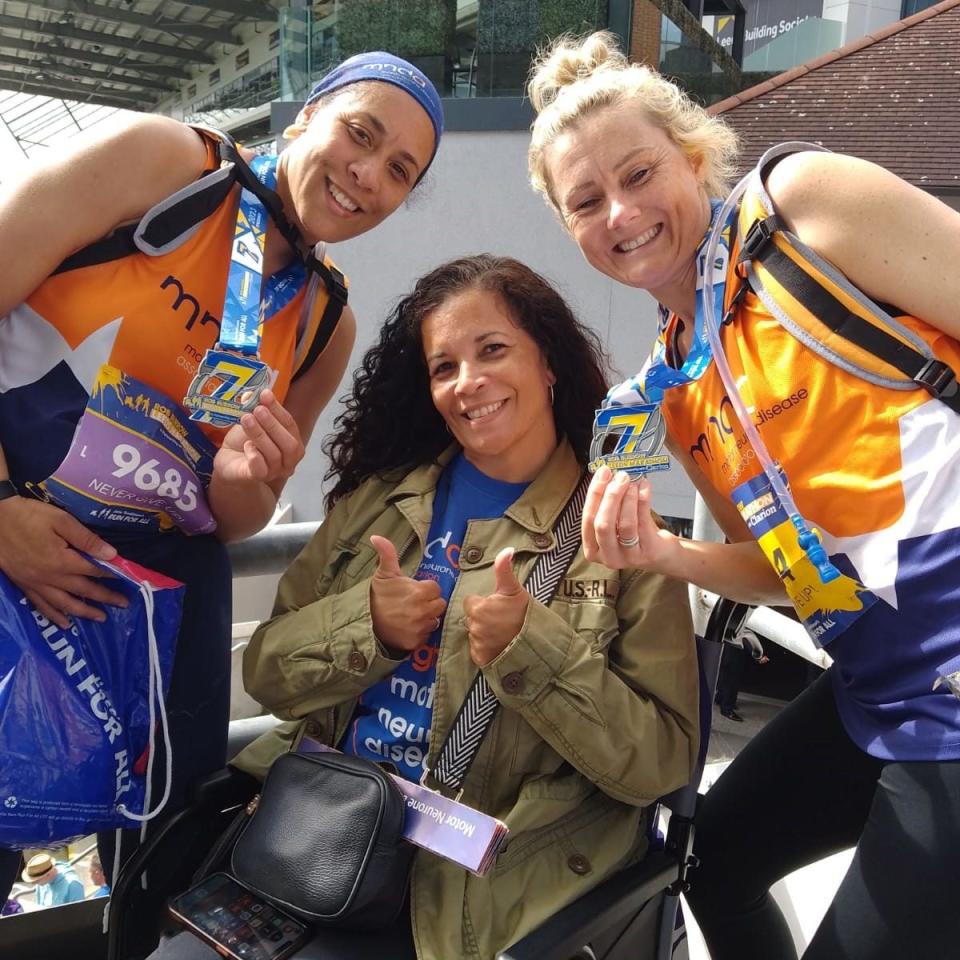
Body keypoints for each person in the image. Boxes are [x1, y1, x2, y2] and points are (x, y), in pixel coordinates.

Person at [526, 30, 960, 960]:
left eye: (640, 174)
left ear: (692, 157)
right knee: (712, 862)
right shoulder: (675, 387)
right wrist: (664, 556)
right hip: (877, 687)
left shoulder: (799, 208)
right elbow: (783, 569)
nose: (622, 213)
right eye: (587, 201)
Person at [0, 51, 443, 904]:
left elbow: (235, 519)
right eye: (361, 132)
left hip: (159, 598)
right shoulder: (166, 163)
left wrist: (246, 479)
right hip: (24, 541)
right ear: (306, 114)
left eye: (400, 171)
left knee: (162, 859)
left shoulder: (326, 317)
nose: (368, 174)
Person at [214, 255, 700, 960]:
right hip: (318, 834)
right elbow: (264, 676)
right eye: (444, 367)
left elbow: (660, 765)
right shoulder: (377, 501)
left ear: (549, 366)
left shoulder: (619, 532)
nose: (468, 383)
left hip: (482, 888)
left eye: (493, 350)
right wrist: (368, 629)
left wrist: (532, 651)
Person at [715, 627, 768, 722]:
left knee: (725, 677)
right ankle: (727, 709)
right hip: (734, 650)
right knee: (732, 681)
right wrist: (758, 656)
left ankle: (720, 699)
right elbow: (746, 637)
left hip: (725, 647)